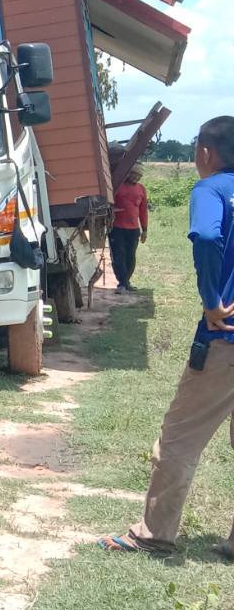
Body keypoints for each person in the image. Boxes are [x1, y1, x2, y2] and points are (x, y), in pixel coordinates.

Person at [100, 117, 234, 557]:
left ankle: (153, 535)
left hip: (225, 339)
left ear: (205, 153)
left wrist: (212, 299)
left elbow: (209, 236)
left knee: (179, 437)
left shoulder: (211, 190)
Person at [110, 164, 149, 293]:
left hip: (133, 229)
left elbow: (143, 211)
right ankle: (122, 283)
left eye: (139, 176)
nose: (136, 178)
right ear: (128, 173)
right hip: (117, 227)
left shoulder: (141, 189)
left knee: (130, 256)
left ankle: (126, 282)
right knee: (118, 255)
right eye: (134, 174)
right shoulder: (117, 186)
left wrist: (145, 229)